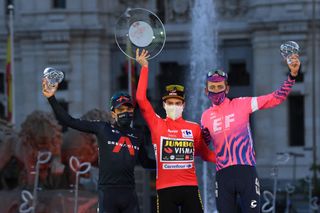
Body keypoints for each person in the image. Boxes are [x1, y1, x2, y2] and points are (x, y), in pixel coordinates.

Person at [201, 55, 301, 212]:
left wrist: (292, 76)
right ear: (205, 90)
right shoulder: (205, 116)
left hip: (246, 172)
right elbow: (202, 147)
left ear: (227, 89)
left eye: (219, 86)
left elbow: (276, 98)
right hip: (223, 176)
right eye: (212, 88)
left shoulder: (242, 103)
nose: (216, 91)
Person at [42, 80, 155, 213]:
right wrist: (51, 98)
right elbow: (69, 121)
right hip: (108, 194)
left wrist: (172, 162)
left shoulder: (138, 135)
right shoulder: (103, 128)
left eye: (129, 108)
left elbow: (146, 163)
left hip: (129, 194)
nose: (126, 112)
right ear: (113, 113)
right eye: (121, 109)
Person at [135, 49, 216, 213]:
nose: (173, 106)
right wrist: (144, 68)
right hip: (165, 190)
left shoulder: (193, 128)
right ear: (164, 105)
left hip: (190, 188)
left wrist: (230, 159)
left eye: (177, 103)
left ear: (183, 105)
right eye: (170, 102)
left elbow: (205, 154)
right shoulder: (157, 123)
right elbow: (140, 99)